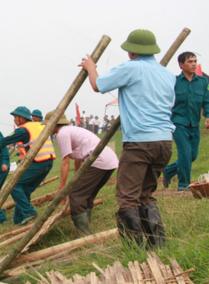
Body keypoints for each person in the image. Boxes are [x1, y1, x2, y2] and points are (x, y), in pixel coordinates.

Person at [79, 28, 174, 248]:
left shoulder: (131, 68)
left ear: (131, 52)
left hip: (140, 142)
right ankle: (157, 244)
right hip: (164, 141)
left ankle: (135, 249)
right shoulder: (167, 74)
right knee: (146, 194)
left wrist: (91, 68)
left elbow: (98, 85)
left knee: (127, 197)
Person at [0, 107, 55, 225]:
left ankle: (29, 212)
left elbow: (2, 142)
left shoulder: (23, 130)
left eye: (15, 118)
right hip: (48, 162)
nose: (14, 120)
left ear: (22, 118)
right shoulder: (39, 126)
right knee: (25, 189)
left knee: (13, 186)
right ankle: (19, 218)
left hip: (37, 162)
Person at [43, 111, 118, 235]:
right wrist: (77, 177)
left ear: (54, 124)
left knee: (76, 195)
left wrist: (62, 189)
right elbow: (78, 159)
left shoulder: (62, 134)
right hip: (109, 160)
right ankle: (86, 226)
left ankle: (84, 234)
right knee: (87, 194)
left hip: (98, 160)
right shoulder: (71, 130)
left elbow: (66, 162)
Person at [163, 52, 209, 191]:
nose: (194, 64)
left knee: (192, 155)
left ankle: (169, 171)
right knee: (185, 153)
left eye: (195, 61)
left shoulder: (203, 82)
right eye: (190, 61)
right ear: (181, 64)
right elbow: (166, 101)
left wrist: (207, 115)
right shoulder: (174, 81)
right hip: (178, 123)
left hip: (194, 123)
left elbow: (207, 101)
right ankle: (183, 184)